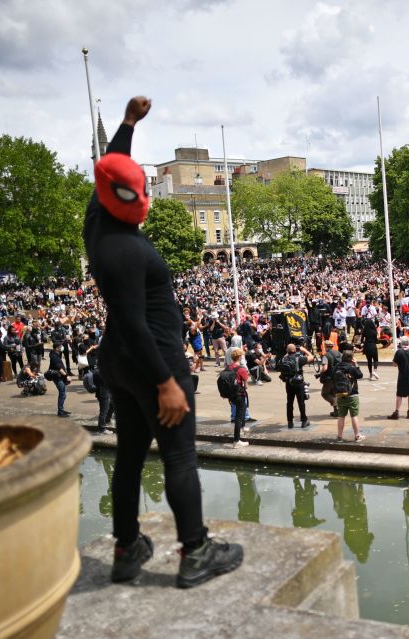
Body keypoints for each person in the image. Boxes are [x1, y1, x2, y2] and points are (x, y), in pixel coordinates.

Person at [83, 96, 242, 588]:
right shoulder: (125, 249)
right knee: (178, 456)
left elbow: (111, 168)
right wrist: (167, 382)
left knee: (130, 454)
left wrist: (128, 124)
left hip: (118, 362)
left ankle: (127, 548)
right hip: (151, 357)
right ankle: (195, 551)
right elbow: (133, 322)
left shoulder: (98, 220)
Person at [280, 343, 314, 429]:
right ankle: (304, 420)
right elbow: (311, 357)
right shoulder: (299, 359)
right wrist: (304, 350)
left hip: (289, 383)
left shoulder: (283, 359)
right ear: (295, 350)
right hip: (299, 383)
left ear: (287, 351)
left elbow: (279, 366)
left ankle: (290, 422)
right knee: (301, 402)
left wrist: (287, 353)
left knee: (289, 403)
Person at [333, 350, 365, 442]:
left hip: (339, 394)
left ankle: (339, 437)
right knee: (354, 416)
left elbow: (332, 377)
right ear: (351, 358)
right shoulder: (351, 367)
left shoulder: (337, 367)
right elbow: (360, 375)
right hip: (352, 394)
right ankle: (357, 436)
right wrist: (356, 364)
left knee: (341, 416)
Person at [226, 347, 250, 447]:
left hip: (230, 394)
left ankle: (243, 427)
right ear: (239, 357)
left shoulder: (228, 367)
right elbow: (246, 386)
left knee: (243, 408)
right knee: (239, 417)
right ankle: (236, 441)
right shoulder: (241, 369)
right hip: (239, 394)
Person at [389, 336, 409, 419]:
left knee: (399, 394)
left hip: (402, 376)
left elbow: (394, 364)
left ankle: (397, 412)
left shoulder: (399, 352)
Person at [319, 340, 342, 417]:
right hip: (338, 377)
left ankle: (336, 405)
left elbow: (325, 368)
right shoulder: (339, 353)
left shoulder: (326, 355)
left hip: (329, 378)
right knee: (333, 393)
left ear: (325, 346)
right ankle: (336, 412)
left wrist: (319, 372)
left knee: (325, 394)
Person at [48, 342, 69, 417]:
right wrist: (66, 376)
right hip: (56, 376)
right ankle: (60, 411)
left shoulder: (56, 354)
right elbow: (59, 368)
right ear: (57, 348)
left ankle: (61, 410)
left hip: (59, 376)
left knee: (63, 393)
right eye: (60, 346)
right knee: (62, 393)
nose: (62, 347)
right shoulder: (54, 356)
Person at [360, 315, 380, 381]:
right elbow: (376, 341)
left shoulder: (364, 331)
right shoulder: (374, 331)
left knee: (369, 361)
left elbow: (361, 340)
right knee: (375, 359)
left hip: (367, 346)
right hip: (373, 346)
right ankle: (375, 371)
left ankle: (370, 374)